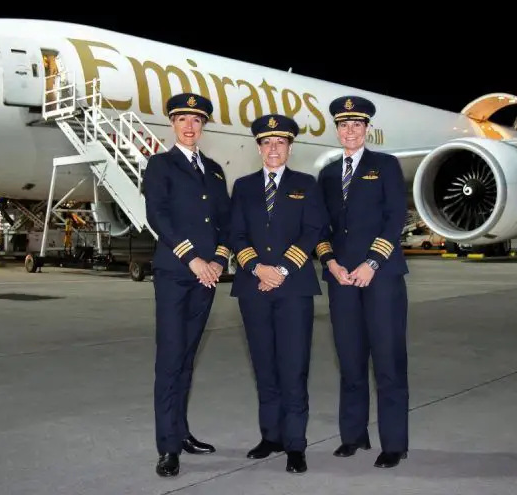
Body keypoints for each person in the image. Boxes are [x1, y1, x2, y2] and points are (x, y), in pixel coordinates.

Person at [227, 113, 326, 474]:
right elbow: (236, 233)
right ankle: (271, 436)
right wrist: (258, 269)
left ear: (290, 147)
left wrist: (282, 269)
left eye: (280, 142)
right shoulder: (244, 186)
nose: (273, 148)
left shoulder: (307, 184)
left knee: (294, 367)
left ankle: (296, 445)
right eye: (266, 142)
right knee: (264, 366)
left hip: (294, 288)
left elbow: (312, 230)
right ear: (258, 147)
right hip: (254, 288)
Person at [314, 95, 410, 469]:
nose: (349, 131)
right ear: (336, 130)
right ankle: (353, 436)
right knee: (350, 361)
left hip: (381, 277)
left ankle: (394, 443)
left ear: (367, 129)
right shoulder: (327, 174)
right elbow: (321, 228)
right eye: (343, 125)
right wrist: (331, 263)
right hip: (342, 281)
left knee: (387, 362)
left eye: (356, 125)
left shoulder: (385, 166)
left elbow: (395, 218)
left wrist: (372, 262)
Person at [143, 92, 232, 478]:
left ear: (204, 125)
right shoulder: (160, 165)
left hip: (207, 277)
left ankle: (181, 433)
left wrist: (219, 259)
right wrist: (194, 259)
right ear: (173, 124)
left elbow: (226, 222)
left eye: (197, 120)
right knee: (170, 359)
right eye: (182, 119)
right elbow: (157, 216)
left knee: (188, 357)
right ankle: (167, 447)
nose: (190, 126)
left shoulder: (214, 170)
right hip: (177, 274)